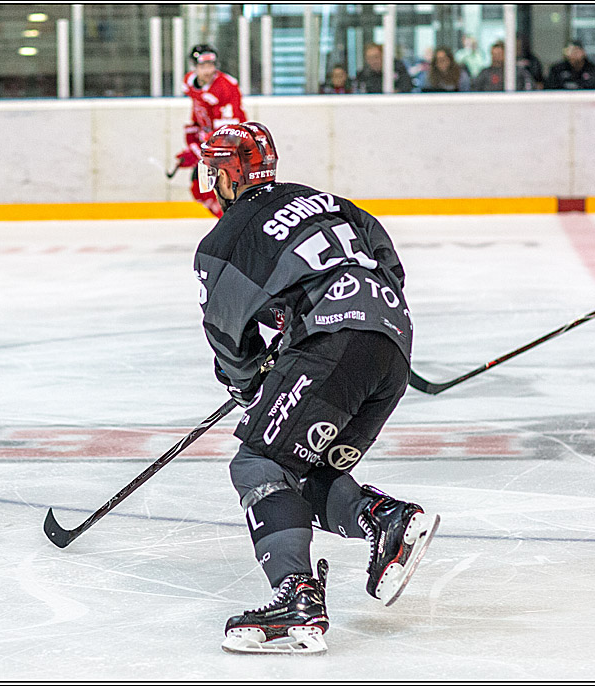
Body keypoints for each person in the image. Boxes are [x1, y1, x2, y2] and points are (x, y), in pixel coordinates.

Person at [192, 121, 440, 653]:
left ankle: (296, 599)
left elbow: (229, 339)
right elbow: (389, 266)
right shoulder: (328, 201)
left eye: (213, 171)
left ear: (229, 176)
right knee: (302, 473)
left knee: (259, 463)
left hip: (332, 345)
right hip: (392, 346)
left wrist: (253, 384)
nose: (210, 182)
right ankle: (386, 519)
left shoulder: (226, 239)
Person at [174, 44, 247, 219]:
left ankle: (235, 224)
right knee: (199, 190)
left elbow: (228, 133)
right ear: (194, 67)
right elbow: (198, 112)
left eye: (211, 65)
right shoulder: (190, 82)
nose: (208, 71)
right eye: (203, 66)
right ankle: (228, 223)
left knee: (227, 193)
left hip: (231, 148)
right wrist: (192, 141)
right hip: (209, 145)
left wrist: (200, 151)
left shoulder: (226, 87)